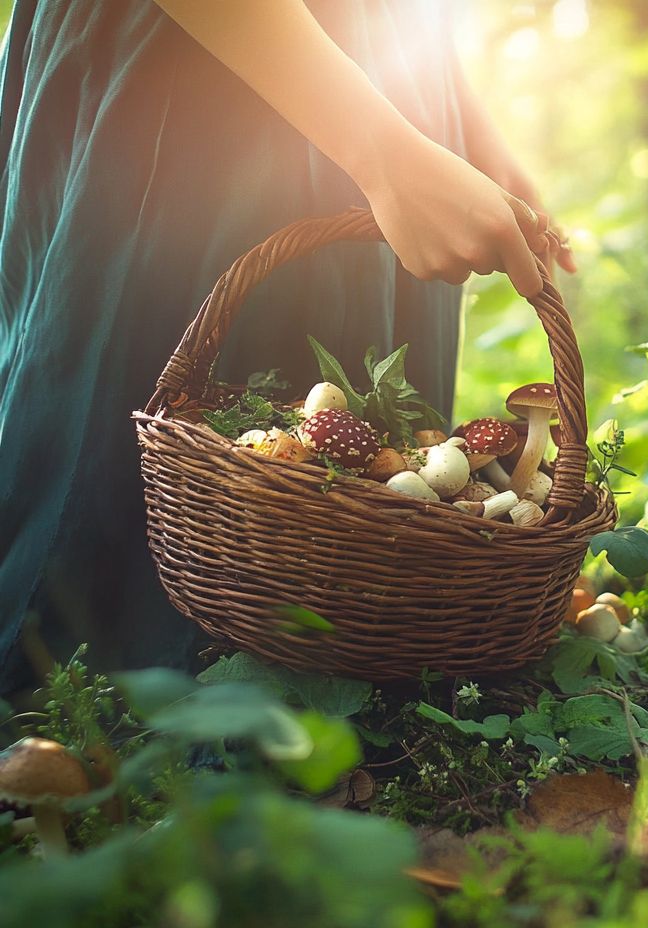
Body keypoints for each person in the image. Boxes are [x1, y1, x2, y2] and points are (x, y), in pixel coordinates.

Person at [0, 0, 574, 695]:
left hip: (388, 90)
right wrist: (387, 155)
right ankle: (92, 699)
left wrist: (472, 138)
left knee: (375, 468)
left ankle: (355, 668)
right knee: (113, 480)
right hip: (200, 70)